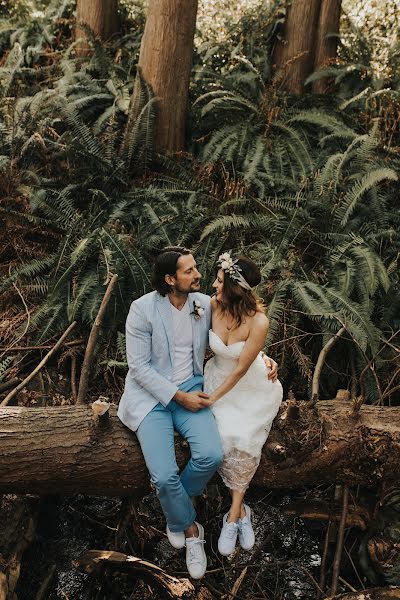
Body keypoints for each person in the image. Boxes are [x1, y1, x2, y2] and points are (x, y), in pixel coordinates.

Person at [117, 246, 278, 579]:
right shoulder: (141, 310)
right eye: (189, 271)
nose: (198, 275)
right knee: (162, 476)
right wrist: (177, 397)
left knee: (211, 455)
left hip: (194, 387)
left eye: (196, 269)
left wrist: (263, 359)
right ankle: (190, 530)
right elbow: (139, 368)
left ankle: (174, 509)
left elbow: (244, 321)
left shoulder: (204, 303)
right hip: (152, 398)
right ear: (169, 279)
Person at [204, 252, 283, 556]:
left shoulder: (259, 321)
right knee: (221, 437)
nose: (214, 284)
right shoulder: (210, 305)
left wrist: (213, 398)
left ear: (235, 288)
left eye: (220, 281)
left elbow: (240, 369)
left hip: (248, 386)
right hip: (216, 378)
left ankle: (234, 515)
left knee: (243, 437)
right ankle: (242, 512)